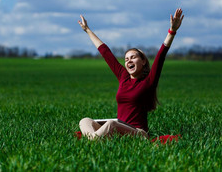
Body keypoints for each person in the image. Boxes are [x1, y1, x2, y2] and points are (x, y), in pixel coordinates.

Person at [78, 8, 184, 140]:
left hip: (138, 133)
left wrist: (172, 31)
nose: (129, 61)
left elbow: (161, 55)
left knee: (111, 124)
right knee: (85, 120)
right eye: (126, 59)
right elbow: (106, 53)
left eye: (133, 57)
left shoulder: (149, 81)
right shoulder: (123, 77)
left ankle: (93, 140)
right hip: (120, 126)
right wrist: (87, 30)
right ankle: (95, 138)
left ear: (143, 61)